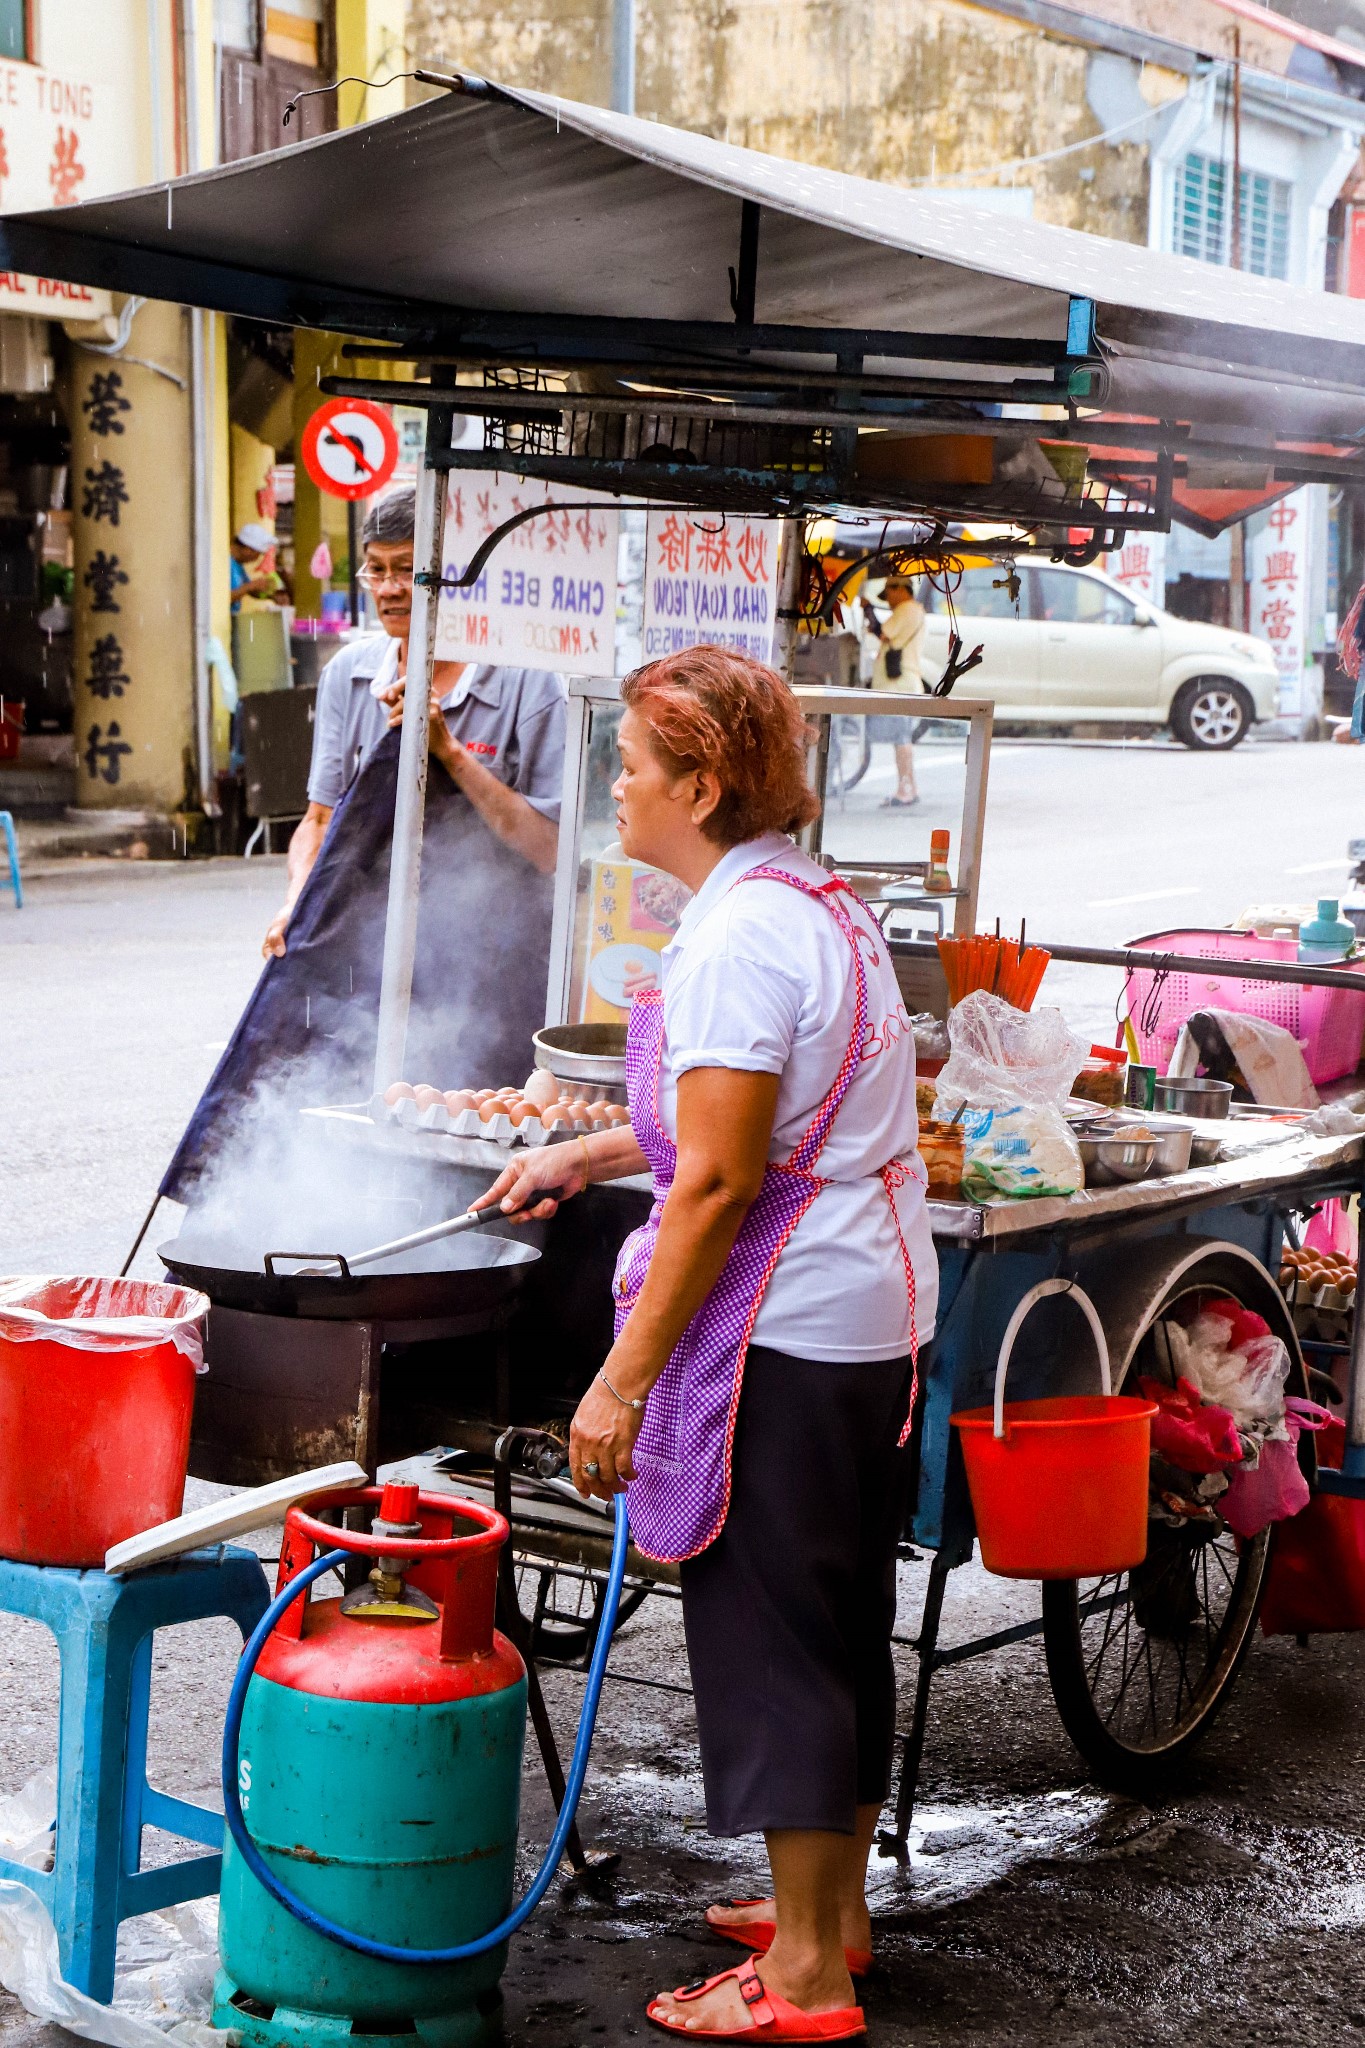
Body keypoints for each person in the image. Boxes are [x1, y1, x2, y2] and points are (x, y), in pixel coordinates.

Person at [478, 648, 938, 2044]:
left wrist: (619, 1383)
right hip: (866, 1316)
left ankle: (803, 1976)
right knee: (839, 1615)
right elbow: (751, 1124)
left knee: (775, 1634)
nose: (613, 787)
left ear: (702, 780)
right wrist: (593, 1148)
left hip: (778, 1332)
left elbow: (726, 1182)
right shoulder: (814, 899)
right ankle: (829, 1912)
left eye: (631, 765)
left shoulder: (740, 935)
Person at [263, 487, 564, 959]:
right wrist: (297, 901)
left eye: (407, 569)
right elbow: (320, 819)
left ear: (455, 576)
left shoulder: (527, 682)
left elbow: (550, 850)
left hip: (494, 948)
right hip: (369, 939)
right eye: (377, 570)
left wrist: (448, 751)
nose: (389, 589)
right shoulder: (348, 674)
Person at [862, 573, 927, 809]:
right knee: (902, 739)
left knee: (901, 739)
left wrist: (868, 610)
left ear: (901, 589)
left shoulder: (908, 609)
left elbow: (883, 632)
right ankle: (909, 786)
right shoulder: (912, 611)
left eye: (889, 593)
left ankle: (905, 789)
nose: (888, 600)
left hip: (900, 685)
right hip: (902, 684)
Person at [230, 522, 282, 611]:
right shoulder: (223, 563)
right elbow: (221, 599)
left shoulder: (238, 566)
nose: (258, 558)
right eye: (259, 554)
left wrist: (270, 595)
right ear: (248, 549)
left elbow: (249, 590)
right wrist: (251, 586)